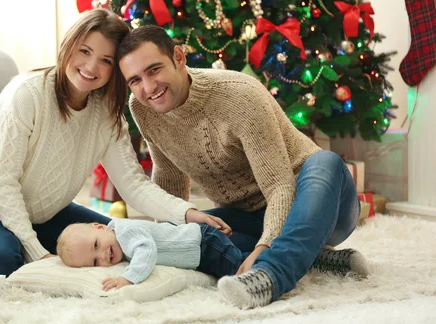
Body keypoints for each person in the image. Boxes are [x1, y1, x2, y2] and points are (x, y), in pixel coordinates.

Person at [0, 10, 229, 276]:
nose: (91, 67)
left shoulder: (106, 114)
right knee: (4, 259)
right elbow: (2, 185)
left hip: (48, 214)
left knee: (123, 240)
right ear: (69, 45)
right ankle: (13, 246)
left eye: (106, 60)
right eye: (85, 51)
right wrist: (37, 253)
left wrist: (187, 213)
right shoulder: (26, 94)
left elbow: (134, 186)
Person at [116, 25, 368, 309]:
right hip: (249, 215)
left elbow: (279, 186)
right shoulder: (141, 107)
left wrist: (263, 248)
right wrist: (169, 240)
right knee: (201, 232)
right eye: (134, 80)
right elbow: (169, 174)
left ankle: (271, 275)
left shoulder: (238, 95)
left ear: (178, 56)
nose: (148, 88)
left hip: (320, 203)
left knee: (326, 161)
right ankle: (316, 258)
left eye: (154, 70)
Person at [56, 219, 251, 291]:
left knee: (239, 270)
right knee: (235, 262)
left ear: (99, 227)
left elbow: (147, 249)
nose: (103, 255)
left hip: (203, 243)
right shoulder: (120, 246)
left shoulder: (125, 231)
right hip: (198, 255)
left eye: (97, 244)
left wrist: (128, 278)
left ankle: (269, 262)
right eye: (95, 261)